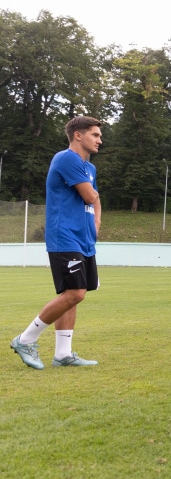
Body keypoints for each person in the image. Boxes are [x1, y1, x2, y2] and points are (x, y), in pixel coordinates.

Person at [11, 116, 103, 369]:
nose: (99, 140)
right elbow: (89, 195)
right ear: (78, 135)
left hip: (84, 238)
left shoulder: (89, 168)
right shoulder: (66, 158)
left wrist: (96, 223)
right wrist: (92, 198)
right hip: (65, 236)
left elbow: (95, 199)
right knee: (75, 292)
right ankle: (25, 339)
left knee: (72, 295)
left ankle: (63, 354)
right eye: (95, 135)